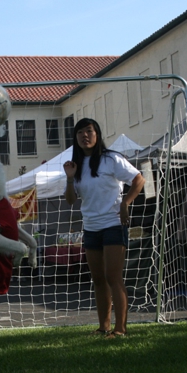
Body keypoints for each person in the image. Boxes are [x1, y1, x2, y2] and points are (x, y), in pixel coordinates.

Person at [63, 118, 145, 338]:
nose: (84, 136)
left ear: (97, 134)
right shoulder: (76, 166)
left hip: (113, 225)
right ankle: (104, 327)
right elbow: (71, 200)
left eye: (89, 131)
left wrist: (126, 203)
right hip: (91, 227)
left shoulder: (111, 159)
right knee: (98, 279)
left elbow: (138, 179)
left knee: (113, 277)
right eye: (80, 132)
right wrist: (70, 179)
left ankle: (121, 329)